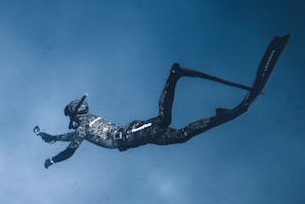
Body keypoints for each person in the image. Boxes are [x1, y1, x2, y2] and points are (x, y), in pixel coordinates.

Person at [35, 34, 290, 168]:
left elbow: (71, 148)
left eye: (73, 116)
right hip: (136, 139)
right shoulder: (84, 124)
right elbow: (70, 137)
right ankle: (222, 115)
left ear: (75, 115)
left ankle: (174, 76)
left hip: (132, 134)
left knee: (164, 120)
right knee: (181, 136)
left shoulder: (83, 124)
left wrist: (53, 159)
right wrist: (50, 136)